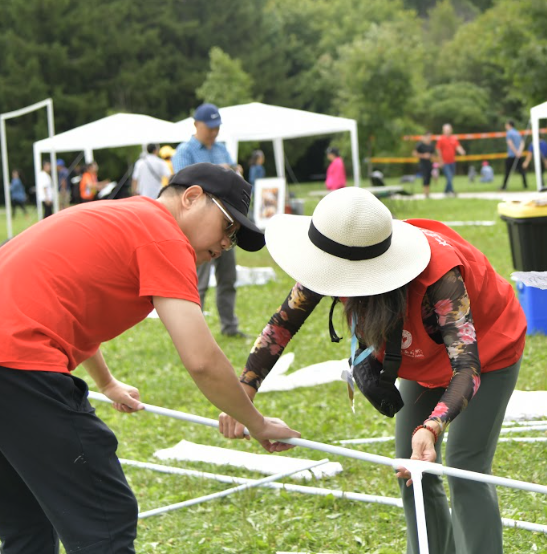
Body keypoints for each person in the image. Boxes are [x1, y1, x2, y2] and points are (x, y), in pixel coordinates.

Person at [0, 163, 297, 554]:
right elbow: (201, 359)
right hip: (12, 363)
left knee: (26, 524)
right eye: (228, 228)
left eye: (236, 238)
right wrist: (255, 422)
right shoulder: (164, 237)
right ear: (192, 198)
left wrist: (106, 383)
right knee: (104, 517)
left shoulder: (119, 217)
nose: (227, 244)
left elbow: (69, 305)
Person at [220, 187, 526, 554]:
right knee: (411, 468)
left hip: (488, 351)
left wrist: (431, 426)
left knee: (465, 466)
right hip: (425, 357)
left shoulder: (441, 277)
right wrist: (243, 393)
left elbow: (466, 366)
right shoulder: (336, 249)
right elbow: (282, 326)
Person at [173, 102, 246, 337]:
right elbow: (185, 186)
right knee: (198, 281)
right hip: (199, 228)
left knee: (228, 278)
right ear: (196, 124)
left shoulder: (221, 149)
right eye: (209, 127)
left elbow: (234, 177)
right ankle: (194, 332)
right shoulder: (184, 151)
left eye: (217, 127)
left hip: (226, 223)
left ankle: (230, 326)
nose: (214, 132)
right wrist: (221, 171)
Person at [435, 123, 467, 197]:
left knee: (451, 177)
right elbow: (438, 150)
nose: (447, 131)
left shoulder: (453, 138)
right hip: (444, 162)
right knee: (449, 176)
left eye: (448, 130)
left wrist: (462, 151)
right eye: (446, 130)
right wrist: (440, 160)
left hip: (452, 161)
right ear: (443, 131)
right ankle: (451, 191)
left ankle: (446, 190)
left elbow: (457, 146)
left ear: (451, 130)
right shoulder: (441, 139)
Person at [500, 120, 527, 190]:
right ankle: (525, 184)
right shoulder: (517, 132)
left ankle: (504, 186)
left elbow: (510, 143)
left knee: (507, 171)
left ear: (509, 125)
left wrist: (516, 152)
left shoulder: (509, 133)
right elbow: (522, 143)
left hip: (512, 155)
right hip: (519, 155)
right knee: (521, 171)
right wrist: (519, 152)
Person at [413, 131, 436, 199]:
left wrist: (434, 159)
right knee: (425, 178)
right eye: (428, 137)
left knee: (429, 178)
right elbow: (414, 153)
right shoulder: (420, 145)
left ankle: (428, 193)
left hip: (429, 163)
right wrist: (423, 155)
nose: (429, 138)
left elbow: (433, 155)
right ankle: (425, 193)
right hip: (423, 163)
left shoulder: (431, 145)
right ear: (425, 137)